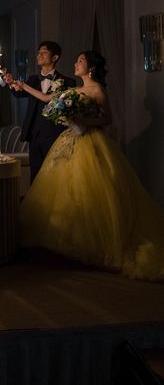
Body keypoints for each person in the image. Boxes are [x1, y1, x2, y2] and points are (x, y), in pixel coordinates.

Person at [15, 50, 164, 282]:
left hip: (92, 142)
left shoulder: (97, 90)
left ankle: (95, 244)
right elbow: (46, 99)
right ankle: (67, 243)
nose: (76, 64)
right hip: (70, 139)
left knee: (92, 189)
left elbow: (107, 119)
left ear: (91, 67)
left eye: (80, 61)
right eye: (76, 61)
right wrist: (22, 86)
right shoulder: (74, 90)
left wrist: (83, 121)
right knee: (66, 190)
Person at [4, 41, 76, 181]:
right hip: (35, 134)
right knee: (36, 174)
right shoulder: (32, 79)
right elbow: (19, 93)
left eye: (44, 53)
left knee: (55, 173)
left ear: (54, 57)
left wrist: (23, 86)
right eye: (38, 53)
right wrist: (11, 83)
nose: (39, 55)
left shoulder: (67, 82)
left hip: (55, 134)